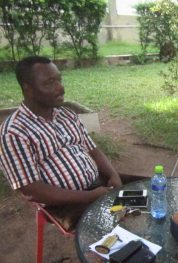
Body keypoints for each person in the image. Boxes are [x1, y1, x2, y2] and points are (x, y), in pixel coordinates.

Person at [0, 56, 145, 230]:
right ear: (28, 89)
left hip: (100, 184)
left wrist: (113, 175)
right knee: (124, 226)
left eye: (59, 80)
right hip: (67, 205)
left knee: (152, 191)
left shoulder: (65, 114)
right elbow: (31, 189)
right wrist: (89, 197)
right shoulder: (13, 133)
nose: (60, 88)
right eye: (49, 83)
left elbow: (93, 149)